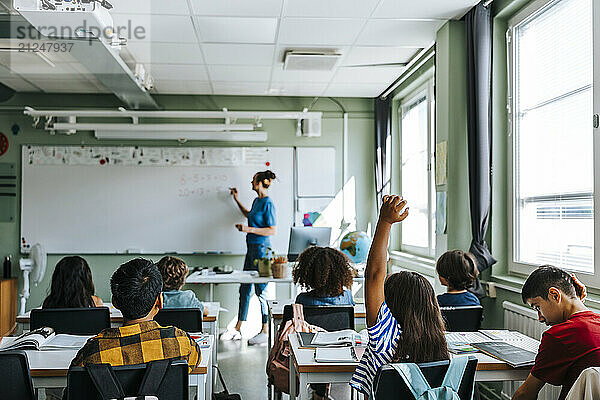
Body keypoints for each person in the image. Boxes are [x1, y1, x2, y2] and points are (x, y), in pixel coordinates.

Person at [350, 195, 449, 396]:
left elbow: (374, 275)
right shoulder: (437, 341)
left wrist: (384, 222)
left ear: (391, 302)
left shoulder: (386, 337)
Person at [70, 258, 200, 373]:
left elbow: (75, 387)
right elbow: (195, 359)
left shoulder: (93, 351)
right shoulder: (181, 343)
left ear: (115, 302)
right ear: (160, 301)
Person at [512, 266, 599, 400]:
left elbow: (524, 395)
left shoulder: (559, 336)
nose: (540, 317)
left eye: (537, 307)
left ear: (555, 295)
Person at [222, 170, 277, 345]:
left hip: (262, 251)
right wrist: (236, 199)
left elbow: (272, 230)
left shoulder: (268, 203)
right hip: (251, 249)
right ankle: (238, 328)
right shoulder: (257, 201)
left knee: (261, 291)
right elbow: (249, 214)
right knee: (244, 289)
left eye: (253, 180)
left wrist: (249, 229)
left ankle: (265, 330)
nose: (251, 182)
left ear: (260, 183)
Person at [293, 246, 355, 400]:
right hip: (341, 350)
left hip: (310, 352)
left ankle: (318, 392)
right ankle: (322, 392)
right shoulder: (347, 297)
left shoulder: (302, 300)